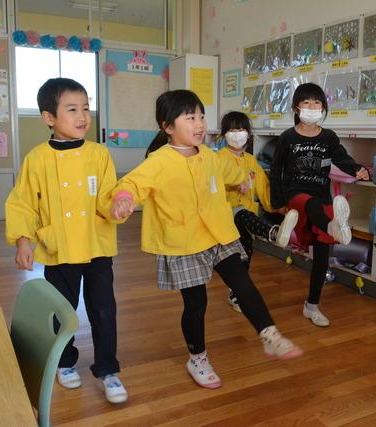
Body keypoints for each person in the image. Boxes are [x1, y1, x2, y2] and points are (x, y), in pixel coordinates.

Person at [111, 89, 303, 390]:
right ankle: (197, 358)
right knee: (196, 303)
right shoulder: (159, 160)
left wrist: (242, 181)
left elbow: (229, 171)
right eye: (190, 118)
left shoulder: (211, 156)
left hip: (218, 234)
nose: (199, 123)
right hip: (183, 241)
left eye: (201, 116)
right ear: (168, 126)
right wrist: (123, 198)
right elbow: (133, 183)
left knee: (242, 282)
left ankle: (269, 335)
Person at [5, 78, 127, 403]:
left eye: (86, 108)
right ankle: (65, 361)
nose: (82, 116)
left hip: (97, 247)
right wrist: (23, 242)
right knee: (63, 309)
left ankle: (107, 370)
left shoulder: (99, 155)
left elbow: (106, 196)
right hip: (58, 250)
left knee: (104, 309)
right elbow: (23, 204)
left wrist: (117, 205)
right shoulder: (37, 159)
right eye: (72, 109)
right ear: (49, 118)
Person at [269, 83, 370, 327]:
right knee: (311, 203)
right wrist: (278, 202)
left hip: (322, 198)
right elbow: (276, 171)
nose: (312, 107)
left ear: (323, 108)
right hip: (296, 196)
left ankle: (312, 305)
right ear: (296, 108)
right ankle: (331, 228)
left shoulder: (328, 137)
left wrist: (358, 169)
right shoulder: (287, 138)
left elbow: (341, 158)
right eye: (306, 103)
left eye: (317, 103)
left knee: (322, 256)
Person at [217, 111, 298, 312]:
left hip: (246, 215)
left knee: (245, 255)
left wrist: (278, 207)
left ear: (249, 134)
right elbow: (213, 183)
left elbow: (263, 188)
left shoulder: (252, 162)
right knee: (242, 214)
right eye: (232, 130)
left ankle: (236, 295)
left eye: (241, 129)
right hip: (225, 213)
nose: (237, 134)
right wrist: (233, 185)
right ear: (224, 134)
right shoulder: (217, 158)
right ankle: (273, 233)